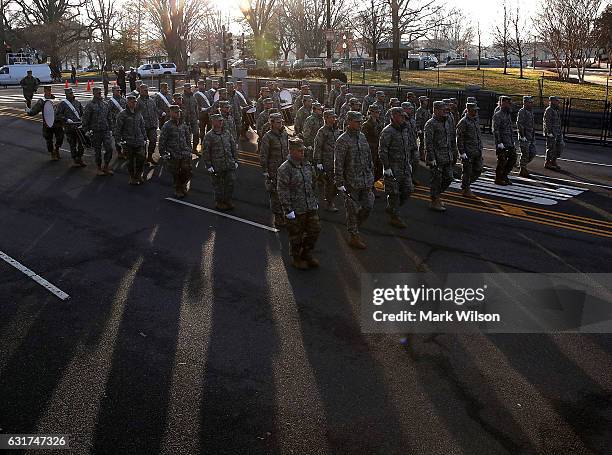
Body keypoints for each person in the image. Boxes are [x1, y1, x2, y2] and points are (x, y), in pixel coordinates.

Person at [277, 137, 321, 270]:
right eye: (299, 151)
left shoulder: (307, 165)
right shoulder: (285, 168)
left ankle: (306, 253)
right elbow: (282, 190)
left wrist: (315, 200)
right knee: (296, 236)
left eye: (303, 150)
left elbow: (314, 184)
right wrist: (288, 209)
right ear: (291, 151)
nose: (303, 153)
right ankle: (296, 258)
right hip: (295, 209)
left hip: (310, 206)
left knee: (315, 230)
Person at [334, 111, 374, 249]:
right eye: (357, 121)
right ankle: (353, 236)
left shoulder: (362, 136)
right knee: (351, 210)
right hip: (351, 182)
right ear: (349, 122)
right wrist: (339, 182)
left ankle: (354, 227)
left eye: (361, 121)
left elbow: (368, 156)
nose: (360, 123)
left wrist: (371, 173)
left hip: (365, 180)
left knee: (368, 205)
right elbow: (338, 162)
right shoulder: (342, 140)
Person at [379, 107, 414, 229]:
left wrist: (408, 162)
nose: (404, 118)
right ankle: (395, 217)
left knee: (408, 189)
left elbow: (406, 147)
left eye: (404, 116)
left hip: (404, 166)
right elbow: (382, 151)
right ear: (394, 116)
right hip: (392, 168)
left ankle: (392, 208)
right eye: (401, 116)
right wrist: (386, 167)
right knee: (394, 193)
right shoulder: (387, 131)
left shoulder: (404, 129)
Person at [424, 101, 457, 212]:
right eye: (443, 109)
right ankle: (434, 201)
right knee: (436, 180)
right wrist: (431, 158)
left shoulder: (447, 121)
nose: (445, 111)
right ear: (436, 110)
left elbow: (451, 137)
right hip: (436, 158)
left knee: (449, 178)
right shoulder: (430, 124)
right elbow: (428, 143)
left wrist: (453, 152)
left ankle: (436, 195)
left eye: (446, 109)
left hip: (447, 155)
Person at [203, 113, 238, 210]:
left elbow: (233, 146)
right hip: (217, 165)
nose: (221, 122)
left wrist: (235, 160)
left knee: (230, 183)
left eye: (222, 120)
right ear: (213, 122)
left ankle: (228, 200)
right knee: (218, 186)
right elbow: (206, 152)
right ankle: (219, 202)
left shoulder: (226, 133)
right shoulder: (209, 136)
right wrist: (209, 165)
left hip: (229, 163)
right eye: (219, 120)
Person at [260, 112, 289, 228]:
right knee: (275, 195)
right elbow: (263, 155)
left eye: (281, 122)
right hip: (273, 170)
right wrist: (265, 171)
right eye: (278, 122)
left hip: (285, 169)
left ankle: (284, 214)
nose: (280, 124)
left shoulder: (284, 134)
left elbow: (287, 150)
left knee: (285, 193)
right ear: (271, 123)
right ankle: (278, 217)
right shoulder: (267, 137)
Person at [159, 104, 193, 197]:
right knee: (176, 173)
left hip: (184, 153)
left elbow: (188, 137)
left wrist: (189, 149)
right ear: (171, 113)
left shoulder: (183, 124)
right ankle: (178, 189)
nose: (178, 114)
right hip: (173, 154)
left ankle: (182, 185)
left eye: (179, 112)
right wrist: (163, 154)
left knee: (187, 171)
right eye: (176, 112)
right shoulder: (167, 126)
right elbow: (162, 141)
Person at [26, 85, 64, 161]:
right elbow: (34, 111)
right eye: (47, 90)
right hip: (47, 124)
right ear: (44, 91)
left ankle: (56, 149)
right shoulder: (42, 101)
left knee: (60, 138)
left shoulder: (56, 99)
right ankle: (52, 152)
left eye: (50, 90)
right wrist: (28, 111)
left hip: (57, 123)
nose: (49, 91)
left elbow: (62, 110)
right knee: (49, 140)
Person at [82, 87, 114, 175]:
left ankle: (106, 166)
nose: (100, 94)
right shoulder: (90, 105)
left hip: (105, 130)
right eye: (98, 93)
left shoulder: (105, 104)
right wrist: (86, 130)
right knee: (97, 151)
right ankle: (98, 168)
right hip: (95, 132)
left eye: (100, 93)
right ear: (94, 94)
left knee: (109, 149)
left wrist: (111, 129)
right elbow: (85, 119)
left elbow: (109, 117)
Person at [314, 110, 341, 212]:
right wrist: (319, 162)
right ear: (326, 118)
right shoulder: (322, 131)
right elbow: (318, 147)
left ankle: (330, 198)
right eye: (332, 117)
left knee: (337, 183)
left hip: (337, 161)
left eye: (334, 117)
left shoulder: (336, 130)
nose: (334, 119)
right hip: (327, 161)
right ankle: (329, 203)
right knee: (329, 183)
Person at [456, 102, 483, 198]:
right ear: (469, 110)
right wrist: (462, 152)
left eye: (476, 110)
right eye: (474, 110)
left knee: (478, 169)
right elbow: (459, 138)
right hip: (468, 152)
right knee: (467, 171)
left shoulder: (475, 120)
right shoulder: (463, 122)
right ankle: (466, 188)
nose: (476, 111)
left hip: (477, 150)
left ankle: (465, 184)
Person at [55, 87, 85, 165]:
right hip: (69, 127)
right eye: (69, 93)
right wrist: (66, 119)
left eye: (71, 93)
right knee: (72, 144)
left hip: (78, 126)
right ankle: (75, 159)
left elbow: (82, 113)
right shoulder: (62, 104)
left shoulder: (77, 102)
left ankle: (79, 157)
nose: (71, 95)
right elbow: (58, 115)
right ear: (66, 94)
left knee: (81, 143)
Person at [492, 95, 516, 185]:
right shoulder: (498, 115)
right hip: (502, 142)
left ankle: (504, 175)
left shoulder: (507, 114)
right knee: (502, 161)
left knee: (513, 158)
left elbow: (509, 128)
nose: (509, 105)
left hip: (509, 141)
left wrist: (512, 140)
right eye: (507, 103)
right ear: (502, 103)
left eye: (509, 103)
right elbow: (495, 130)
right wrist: (499, 143)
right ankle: (498, 178)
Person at [361, 104, 383, 197]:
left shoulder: (379, 123)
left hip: (378, 149)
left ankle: (371, 183)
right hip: (370, 150)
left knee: (380, 169)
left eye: (379, 112)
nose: (378, 113)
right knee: (371, 169)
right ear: (372, 113)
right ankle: (370, 188)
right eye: (376, 112)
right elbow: (363, 139)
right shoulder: (366, 125)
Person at [136, 85, 160, 165]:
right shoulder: (138, 102)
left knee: (153, 141)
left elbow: (155, 110)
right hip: (143, 126)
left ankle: (150, 156)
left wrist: (157, 120)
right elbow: (135, 114)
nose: (146, 91)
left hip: (152, 125)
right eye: (144, 90)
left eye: (147, 90)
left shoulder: (151, 100)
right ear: (140, 91)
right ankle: (144, 158)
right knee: (143, 144)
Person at [516, 96, 536, 177]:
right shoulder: (522, 111)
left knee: (533, 152)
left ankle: (522, 165)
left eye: (531, 102)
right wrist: (522, 135)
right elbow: (519, 124)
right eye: (529, 102)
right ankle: (522, 169)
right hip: (524, 137)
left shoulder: (530, 111)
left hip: (531, 137)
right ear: (525, 102)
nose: (531, 104)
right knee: (525, 153)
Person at [543, 95, 564, 171]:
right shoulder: (549, 110)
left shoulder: (556, 110)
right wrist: (549, 132)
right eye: (556, 101)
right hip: (551, 132)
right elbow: (547, 122)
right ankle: (548, 162)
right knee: (551, 147)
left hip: (558, 132)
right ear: (552, 101)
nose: (558, 103)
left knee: (560, 146)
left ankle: (553, 160)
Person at [108, 85, 127, 159]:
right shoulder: (111, 101)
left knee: (125, 137)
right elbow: (108, 113)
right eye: (117, 91)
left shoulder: (124, 99)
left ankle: (125, 151)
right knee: (117, 138)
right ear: (113, 91)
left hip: (125, 122)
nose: (119, 92)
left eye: (119, 90)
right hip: (115, 123)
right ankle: (119, 152)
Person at [415, 96, 430, 161]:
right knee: (422, 143)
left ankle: (424, 155)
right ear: (422, 102)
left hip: (427, 129)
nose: (427, 102)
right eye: (425, 101)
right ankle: (421, 155)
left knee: (426, 143)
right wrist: (419, 129)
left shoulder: (426, 110)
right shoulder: (419, 110)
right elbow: (417, 120)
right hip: (422, 129)